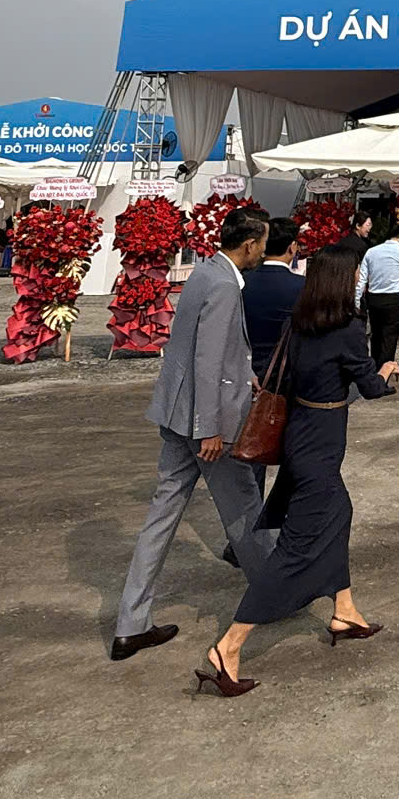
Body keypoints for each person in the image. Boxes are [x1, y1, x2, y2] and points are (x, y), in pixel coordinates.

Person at [197, 249, 399, 698]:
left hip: (300, 433)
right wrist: (388, 371)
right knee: (295, 548)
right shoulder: (348, 328)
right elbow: (370, 386)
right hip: (322, 442)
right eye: (355, 275)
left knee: (339, 513)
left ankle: (344, 609)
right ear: (343, 281)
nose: (359, 281)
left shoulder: (299, 322)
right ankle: (229, 646)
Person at [109, 209, 275, 661]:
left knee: (161, 518)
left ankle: (130, 622)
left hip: (176, 413)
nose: (263, 252)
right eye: (262, 244)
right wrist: (210, 429)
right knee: (244, 509)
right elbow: (207, 359)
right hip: (205, 422)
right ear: (249, 245)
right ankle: (275, 592)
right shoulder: (224, 286)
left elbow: (203, 350)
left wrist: (243, 375)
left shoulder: (204, 272)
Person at [355, 220, 399, 367]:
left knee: (376, 337)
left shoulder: (372, 251)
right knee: (389, 339)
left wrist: (356, 301)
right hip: (393, 299)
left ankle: (374, 370)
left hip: (374, 299)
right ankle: (384, 373)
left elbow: (362, 279)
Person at [242, 218, 302, 370]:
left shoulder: (243, 281)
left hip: (246, 364)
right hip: (285, 368)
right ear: (292, 247)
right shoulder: (303, 285)